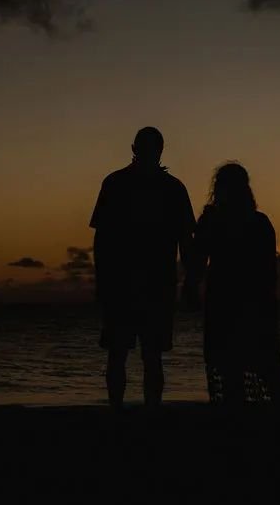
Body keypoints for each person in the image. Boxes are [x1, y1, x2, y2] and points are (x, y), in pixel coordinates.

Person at [90, 127, 197, 410]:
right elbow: (186, 243)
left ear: (133, 148)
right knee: (146, 356)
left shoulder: (117, 184)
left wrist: (101, 281)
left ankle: (123, 410)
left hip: (131, 285)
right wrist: (191, 282)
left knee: (125, 354)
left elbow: (101, 242)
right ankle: (148, 411)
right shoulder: (170, 188)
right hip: (147, 285)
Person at [188, 162, 280, 407]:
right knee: (268, 372)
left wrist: (191, 287)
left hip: (227, 306)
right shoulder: (259, 223)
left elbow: (196, 261)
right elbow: (269, 274)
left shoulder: (217, 222)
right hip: (255, 307)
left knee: (231, 375)